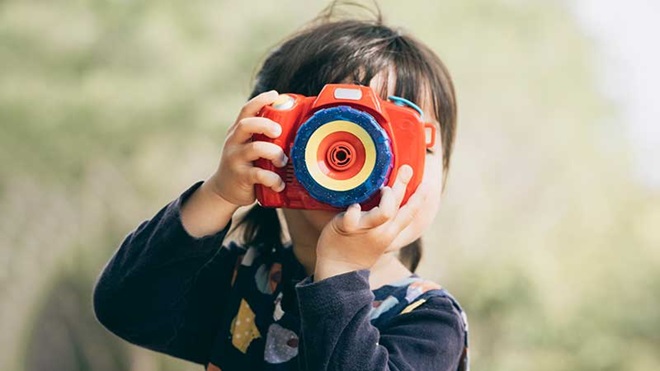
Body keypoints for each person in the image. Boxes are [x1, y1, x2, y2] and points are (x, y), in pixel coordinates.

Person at [93, 4, 469, 371]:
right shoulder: (246, 280)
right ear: (271, 147)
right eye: (340, 132)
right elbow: (126, 307)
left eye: (405, 139)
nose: (369, 159)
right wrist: (219, 195)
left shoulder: (426, 321)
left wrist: (340, 272)